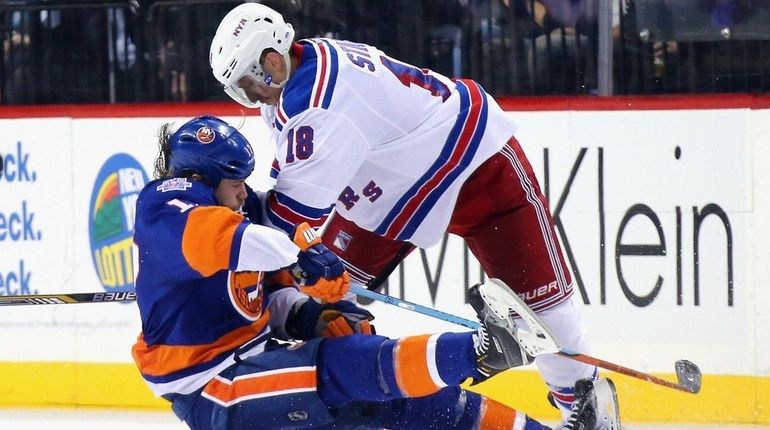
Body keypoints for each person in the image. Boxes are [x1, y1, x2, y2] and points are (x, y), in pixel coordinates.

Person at [208, 3, 611, 424]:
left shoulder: (317, 105)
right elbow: (289, 191)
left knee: (540, 299)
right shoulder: (298, 75)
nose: (247, 96)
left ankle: (586, 402)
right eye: (236, 89)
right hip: (390, 193)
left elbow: (289, 217)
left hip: (470, 161)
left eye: (246, 82)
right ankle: (356, 395)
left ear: (272, 60)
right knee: (319, 297)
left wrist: (215, 246)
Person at [130, 115, 619, 430]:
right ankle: (485, 352)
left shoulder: (244, 214)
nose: (243, 193)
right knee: (348, 367)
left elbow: (269, 303)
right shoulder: (167, 206)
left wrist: (309, 316)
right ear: (202, 176)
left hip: (255, 357)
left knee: (422, 404)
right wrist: (297, 256)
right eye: (234, 183)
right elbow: (236, 242)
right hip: (212, 390)